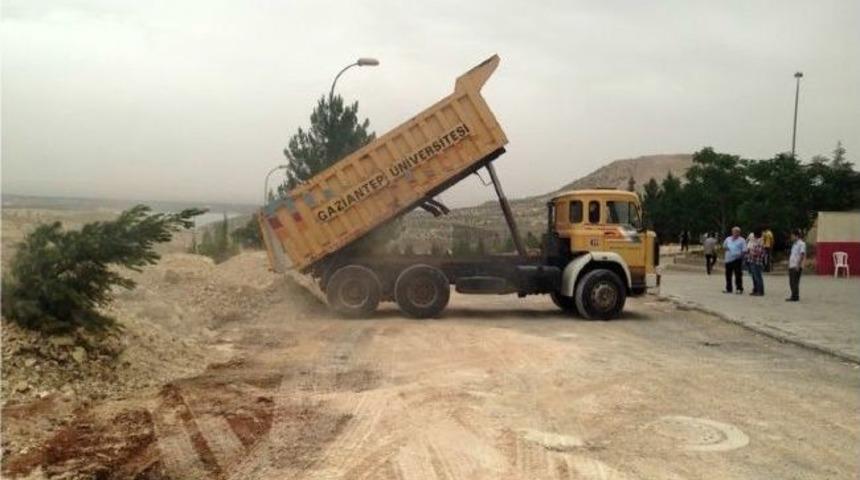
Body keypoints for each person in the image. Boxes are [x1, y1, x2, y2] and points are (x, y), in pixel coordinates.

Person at [722, 227, 746, 294]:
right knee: (728, 275)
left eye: (736, 232)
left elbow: (744, 250)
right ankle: (729, 288)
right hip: (728, 259)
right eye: (734, 231)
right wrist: (726, 248)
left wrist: (741, 256)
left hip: (737, 259)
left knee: (738, 274)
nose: (735, 233)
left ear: (739, 233)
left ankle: (739, 288)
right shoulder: (728, 239)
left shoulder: (742, 240)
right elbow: (724, 246)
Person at [787, 229, 806, 302]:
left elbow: (802, 254)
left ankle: (795, 296)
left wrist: (798, 265)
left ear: (796, 236)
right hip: (792, 265)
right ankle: (793, 295)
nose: (791, 237)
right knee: (791, 281)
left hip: (796, 265)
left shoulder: (801, 244)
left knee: (795, 281)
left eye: (792, 236)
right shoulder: (794, 244)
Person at [747, 229, 765, 296]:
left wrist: (752, 252)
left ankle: (760, 291)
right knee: (754, 277)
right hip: (751, 260)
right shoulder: (755, 241)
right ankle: (755, 289)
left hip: (757, 261)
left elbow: (759, 252)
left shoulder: (760, 241)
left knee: (758, 277)